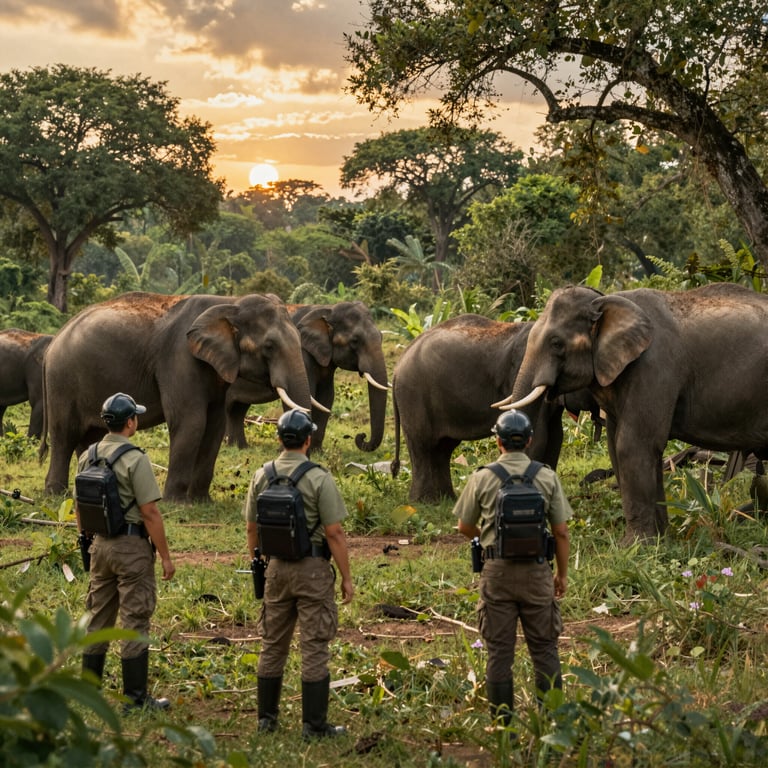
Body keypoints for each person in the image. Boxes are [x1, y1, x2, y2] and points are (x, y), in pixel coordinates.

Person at [453, 409, 572, 728]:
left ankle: (502, 726)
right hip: (537, 574)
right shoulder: (546, 476)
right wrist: (561, 574)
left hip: (497, 573)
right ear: (530, 441)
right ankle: (550, 722)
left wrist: (486, 538)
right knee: (545, 649)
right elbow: (561, 531)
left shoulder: (482, 477)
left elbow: (463, 525)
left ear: (498, 442)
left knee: (499, 653)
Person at [243, 408, 354, 739]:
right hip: (314, 570)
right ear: (308, 440)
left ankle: (266, 720)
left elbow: (251, 528)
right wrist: (347, 577)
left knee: (272, 644)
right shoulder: (319, 478)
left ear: (279, 439)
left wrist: (259, 563)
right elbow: (334, 533)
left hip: (275, 568)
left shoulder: (262, 475)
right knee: (314, 644)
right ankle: (314, 725)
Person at [77, 392, 175, 711]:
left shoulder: (87, 456)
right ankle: (135, 699)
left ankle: (88, 693)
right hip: (131, 547)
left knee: (98, 619)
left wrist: (85, 541)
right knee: (135, 620)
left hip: (99, 546)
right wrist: (165, 556)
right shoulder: (135, 458)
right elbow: (150, 512)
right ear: (130, 422)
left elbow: (80, 506)